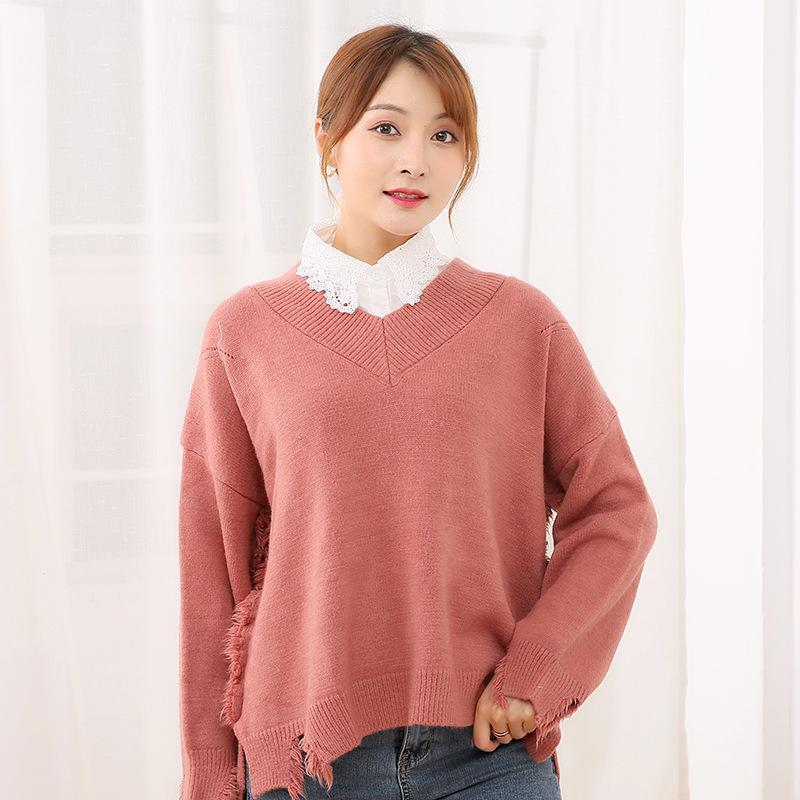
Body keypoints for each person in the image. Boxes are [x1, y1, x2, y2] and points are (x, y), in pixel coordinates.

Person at [177, 23, 658, 800]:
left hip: (489, 756)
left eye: (444, 134)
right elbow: (212, 574)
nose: (415, 160)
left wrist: (537, 669)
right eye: (386, 128)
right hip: (308, 759)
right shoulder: (245, 332)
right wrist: (208, 777)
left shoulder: (521, 323)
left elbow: (617, 510)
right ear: (327, 139)